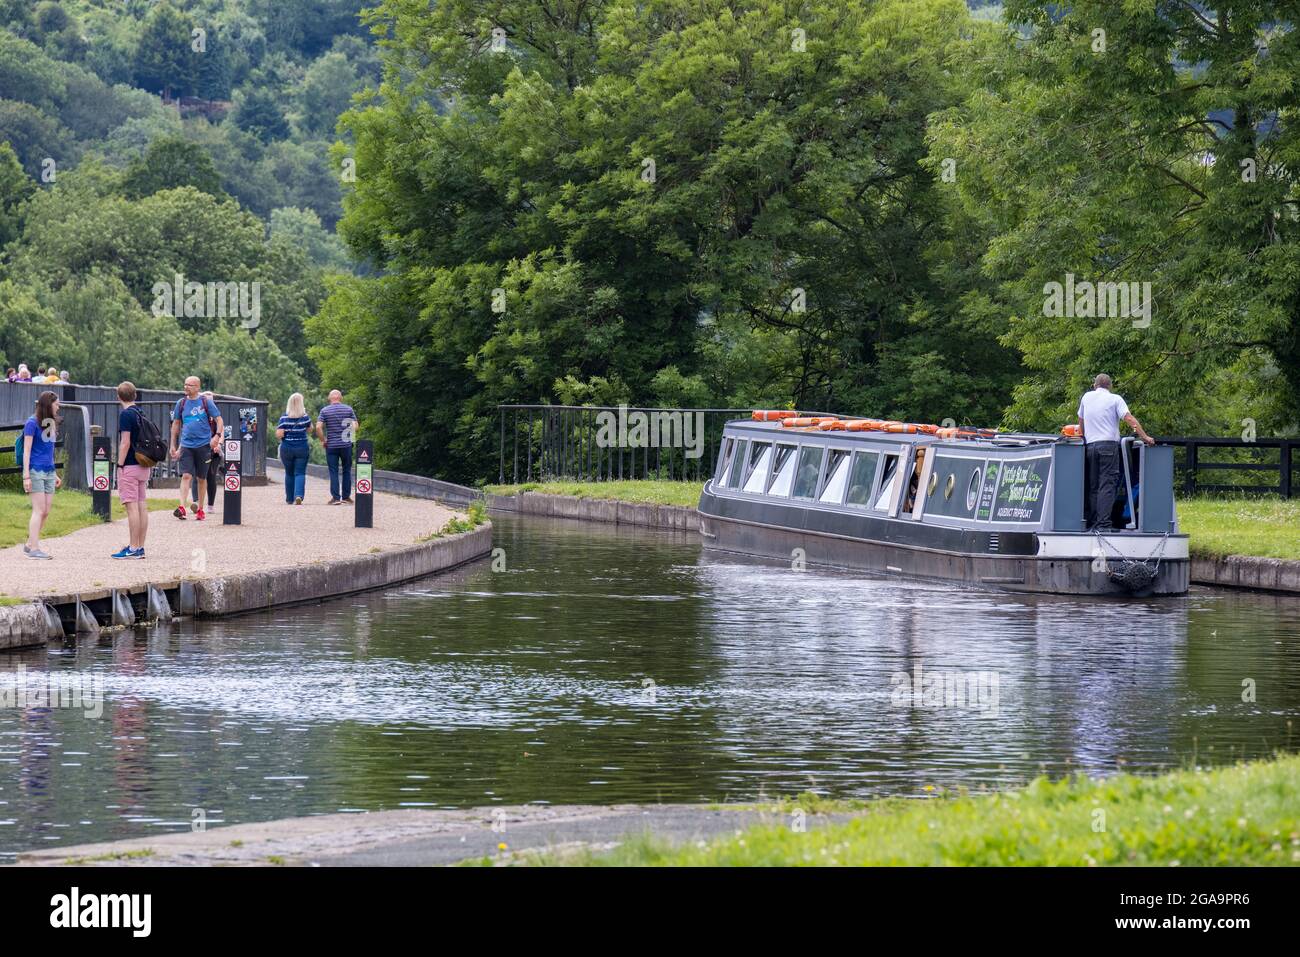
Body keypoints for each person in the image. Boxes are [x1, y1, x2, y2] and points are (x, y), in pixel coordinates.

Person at [1077, 373, 1155, 532]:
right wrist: (1143, 436)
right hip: (1108, 446)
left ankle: (1092, 523)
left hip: (1090, 446)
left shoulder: (1086, 397)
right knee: (1107, 485)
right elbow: (1129, 419)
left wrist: (1084, 437)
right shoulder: (1115, 399)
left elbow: (1081, 420)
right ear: (1110, 386)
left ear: (1095, 385)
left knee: (1093, 486)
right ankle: (1104, 525)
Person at [169, 376, 223, 521]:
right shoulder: (181, 403)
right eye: (185, 384)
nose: (186, 387)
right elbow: (176, 424)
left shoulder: (206, 402)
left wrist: (217, 436)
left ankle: (200, 508)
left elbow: (219, 419)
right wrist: (173, 444)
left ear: (198, 387)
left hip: (204, 445)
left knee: (201, 478)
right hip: (187, 445)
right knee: (186, 475)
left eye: (190, 385)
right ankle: (182, 507)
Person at [20, 390, 62, 560]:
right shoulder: (31, 423)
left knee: (46, 511)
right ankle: (35, 549)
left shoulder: (50, 423)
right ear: (48, 405)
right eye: (56, 404)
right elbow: (27, 450)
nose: (58, 407)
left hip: (49, 471)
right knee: (38, 510)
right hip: (35, 470)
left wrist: (55, 472)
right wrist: (26, 476)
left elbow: (49, 450)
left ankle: (30, 543)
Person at [113, 382, 150, 559]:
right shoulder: (140, 412)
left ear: (118, 396)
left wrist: (119, 465)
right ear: (135, 395)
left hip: (130, 465)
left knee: (131, 508)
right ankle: (140, 546)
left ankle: (133, 548)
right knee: (142, 506)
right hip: (143, 464)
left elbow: (125, 442)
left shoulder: (126, 415)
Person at [316, 390, 358, 505]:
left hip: (332, 446)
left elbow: (318, 427)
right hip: (346, 445)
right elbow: (355, 426)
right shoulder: (348, 409)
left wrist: (323, 440)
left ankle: (335, 498)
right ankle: (346, 497)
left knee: (333, 471)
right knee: (346, 470)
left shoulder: (325, 410)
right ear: (341, 398)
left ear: (330, 398)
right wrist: (349, 436)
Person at [277, 392, 313, 504]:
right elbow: (310, 429)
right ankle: (298, 496)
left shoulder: (284, 417)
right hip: (302, 447)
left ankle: (289, 499)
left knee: (289, 473)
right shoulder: (305, 417)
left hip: (287, 448)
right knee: (300, 473)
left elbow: (279, 434)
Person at [190, 391, 222, 512]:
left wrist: (218, 443)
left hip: (213, 450)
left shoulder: (217, 417)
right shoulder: (197, 415)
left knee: (211, 476)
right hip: (199, 448)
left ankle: (210, 505)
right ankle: (196, 502)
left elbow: (222, 431)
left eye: (210, 401)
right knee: (197, 475)